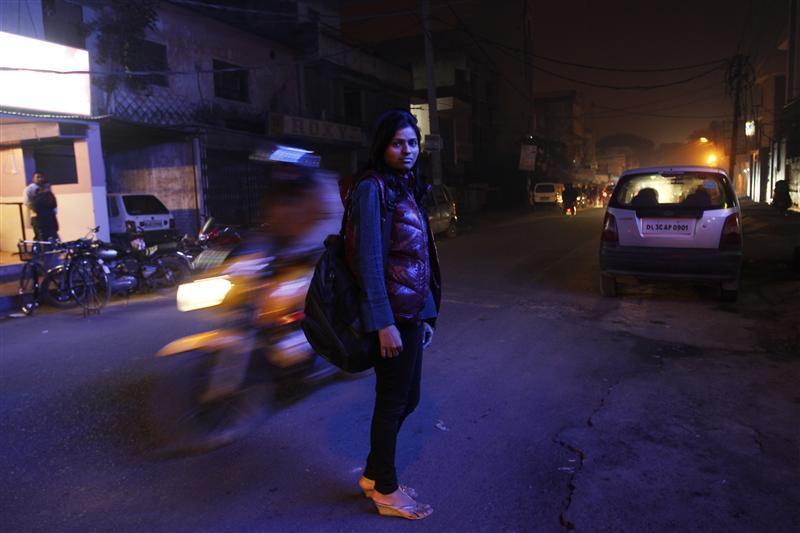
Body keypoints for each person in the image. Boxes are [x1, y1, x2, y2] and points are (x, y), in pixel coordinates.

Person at [344, 110, 441, 520]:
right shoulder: (372, 188)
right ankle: (385, 489)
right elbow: (368, 259)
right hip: (392, 318)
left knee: (408, 398)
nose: (407, 151)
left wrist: (426, 316)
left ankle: (372, 474)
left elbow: (418, 257)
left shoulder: (403, 186)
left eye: (412, 143)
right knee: (393, 401)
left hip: (410, 314)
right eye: (398, 143)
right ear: (382, 146)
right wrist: (383, 322)